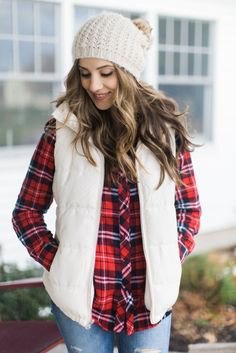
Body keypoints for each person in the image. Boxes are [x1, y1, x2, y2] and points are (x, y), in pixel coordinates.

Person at [12, 12, 201, 353]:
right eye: (85, 74)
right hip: (81, 304)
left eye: (105, 73)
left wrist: (170, 255)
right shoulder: (61, 132)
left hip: (149, 303)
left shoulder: (165, 132)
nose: (93, 85)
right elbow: (25, 211)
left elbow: (188, 208)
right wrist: (59, 259)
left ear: (128, 72)